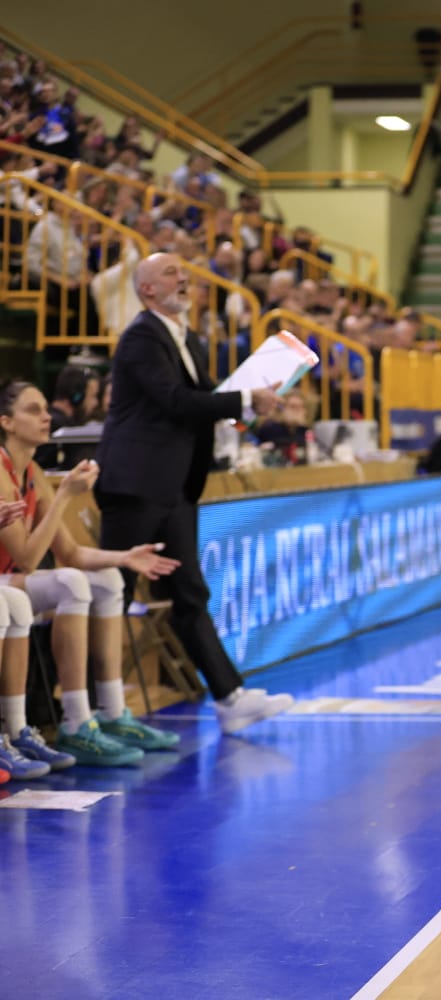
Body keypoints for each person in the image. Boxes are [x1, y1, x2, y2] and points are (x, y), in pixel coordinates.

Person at [92, 253, 294, 735]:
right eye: (170, 273)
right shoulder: (141, 337)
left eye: (184, 274)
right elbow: (175, 402)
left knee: (190, 593)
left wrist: (249, 401)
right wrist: (245, 399)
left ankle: (229, 697)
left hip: (175, 488)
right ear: (146, 290)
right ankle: (86, 712)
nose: (183, 279)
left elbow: (205, 404)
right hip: (136, 485)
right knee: (111, 595)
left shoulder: (191, 340)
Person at [0, 382, 181, 769]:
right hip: (8, 581)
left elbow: (71, 552)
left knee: (108, 579)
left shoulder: (33, 471)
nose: (46, 416)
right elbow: (29, 559)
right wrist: (65, 496)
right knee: (69, 582)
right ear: (6, 422)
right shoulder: (0, 472)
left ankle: (110, 712)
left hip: (11, 582)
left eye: (47, 408)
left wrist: (126, 556)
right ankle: (73, 721)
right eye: (33, 410)